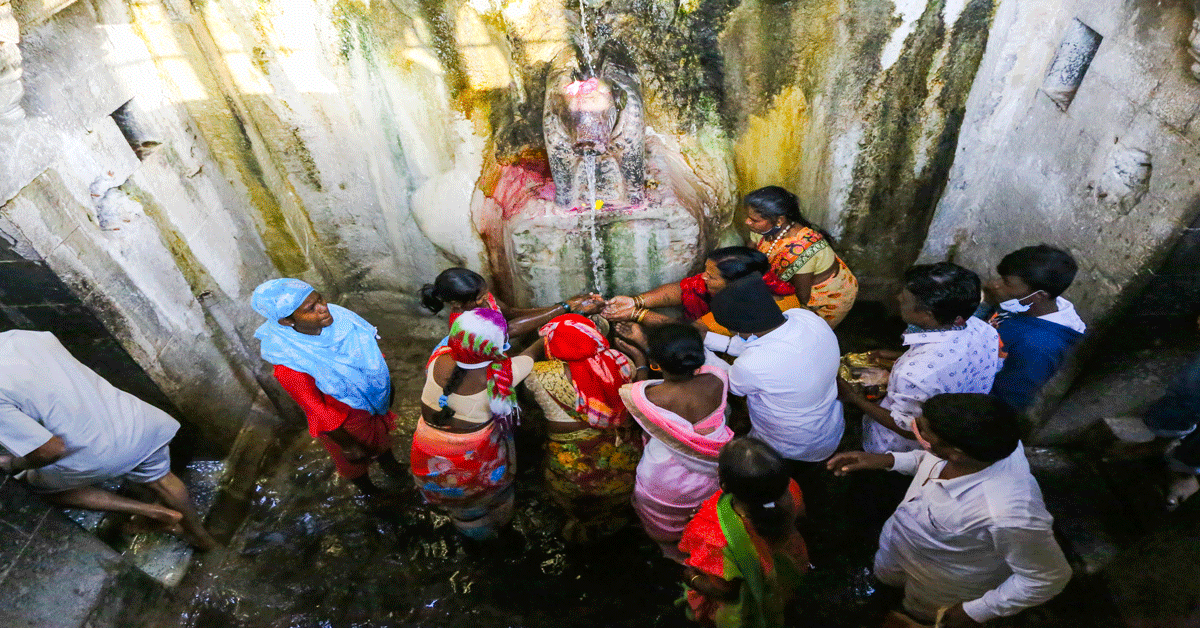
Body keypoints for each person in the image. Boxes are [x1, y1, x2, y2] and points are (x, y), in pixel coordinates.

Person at [827, 394, 1072, 627]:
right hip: (898, 548)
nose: (916, 430)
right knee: (885, 587)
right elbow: (931, 459)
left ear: (956, 453)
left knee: (919, 616)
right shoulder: (983, 446)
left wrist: (976, 610)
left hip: (941, 585)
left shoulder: (1008, 514)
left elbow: (1048, 577)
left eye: (924, 431)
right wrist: (887, 460)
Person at [0, 330, 217, 550]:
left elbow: (50, 450)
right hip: (139, 422)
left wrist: (14, 463)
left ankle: (151, 512)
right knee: (163, 479)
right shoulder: (23, 337)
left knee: (28, 485)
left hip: (98, 454)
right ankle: (200, 536)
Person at [252, 278, 405, 496]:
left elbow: (370, 356)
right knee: (355, 462)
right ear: (287, 321)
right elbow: (316, 409)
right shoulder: (290, 363)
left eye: (320, 299)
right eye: (310, 309)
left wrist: (385, 388)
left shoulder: (342, 320)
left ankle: (392, 469)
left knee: (381, 442)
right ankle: (370, 492)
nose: (324, 308)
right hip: (344, 424)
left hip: (371, 406)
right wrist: (347, 444)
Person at [840, 262, 1000, 456]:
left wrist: (855, 399)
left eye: (905, 299)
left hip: (898, 447)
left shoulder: (915, 374)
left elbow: (910, 429)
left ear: (927, 314)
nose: (898, 297)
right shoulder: (984, 330)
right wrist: (900, 357)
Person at [415, 308, 543, 539]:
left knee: (457, 502)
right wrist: (549, 332)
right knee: (490, 500)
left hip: (428, 455)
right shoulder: (501, 375)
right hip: (474, 461)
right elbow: (533, 352)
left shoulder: (438, 358)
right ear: (498, 346)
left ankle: (464, 527)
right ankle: (496, 530)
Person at [705, 274, 843, 468]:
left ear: (741, 330)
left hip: (787, 445)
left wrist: (701, 350)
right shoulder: (805, 317)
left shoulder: (752, 365)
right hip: (828, 428)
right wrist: (707, 339)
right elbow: (758, 343)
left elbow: (729, 382)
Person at [621, 323, 734, 561]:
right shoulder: (717, 378)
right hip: (709, 472)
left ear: (656, 364)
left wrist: (641, 361)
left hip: (663, 477)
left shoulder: (644, 396)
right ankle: (699, 541)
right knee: (702, 510)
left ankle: (669, 549)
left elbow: (636, 395)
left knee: (662, 518)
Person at [524, 314, 641, 542]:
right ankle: (613, 520)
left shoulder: (539, 374)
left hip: (569, 467)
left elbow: (529, 397)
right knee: (616, 491)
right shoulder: (620, 362)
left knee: (571, 493)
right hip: (621, 457)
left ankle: (578, 521)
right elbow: (635, 394)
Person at [678, 437, 809, 628]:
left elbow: (727, 592)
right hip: (787, 568)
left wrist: (691, 577)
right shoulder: (791, 489)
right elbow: (801, 519)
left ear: (723, 485)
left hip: (748, 601)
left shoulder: (714, 534)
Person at [977, 245, 1086, 412]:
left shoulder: (1040, 347)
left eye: (1006, 283)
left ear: (1040, 295)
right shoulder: (1022, 303)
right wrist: (987, 304)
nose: (994, 284)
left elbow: (1006, 403)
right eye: (1001, 278)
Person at [602, 246, 795, 334]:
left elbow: (694, 332)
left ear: (734, 284)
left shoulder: (747, 307)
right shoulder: (748, 281)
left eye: (711, 276)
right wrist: (635, 301)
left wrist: (638, 315)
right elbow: (684, 288)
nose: (703, 277)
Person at [743, 186, 858, 327]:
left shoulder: (801, 249)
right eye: (748, 217)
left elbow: (801, 298)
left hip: (826, 300)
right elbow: (752, 251)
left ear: (779, 220)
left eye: (754, 220)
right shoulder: (766, 229)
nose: (747, 222)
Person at [420, 267, 605, 337]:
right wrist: (565, 308)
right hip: (484, 370)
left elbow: (512, 312)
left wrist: (567, 305)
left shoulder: (483, 296)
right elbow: (509, 330)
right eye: (479, 299)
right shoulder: (464, 325)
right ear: (456, 304)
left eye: (485, 294)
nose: (485, 299)